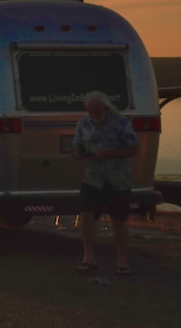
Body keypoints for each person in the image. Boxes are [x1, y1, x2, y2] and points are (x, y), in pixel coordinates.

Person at [72, 90, 140, 274]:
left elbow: (134, 149)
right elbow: (75, 148)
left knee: (118, 220)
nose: (92, 114)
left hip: (117, 180)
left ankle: (122, 262)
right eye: (89, 111)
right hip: (92, 178)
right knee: (86, 215)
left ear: (105, 108)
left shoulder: (120, 122)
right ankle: (89, 259)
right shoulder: (83, 123)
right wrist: (79, 154)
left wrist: (109, 154)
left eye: (95, 111)